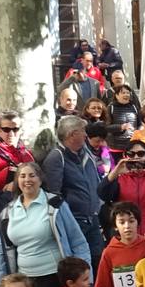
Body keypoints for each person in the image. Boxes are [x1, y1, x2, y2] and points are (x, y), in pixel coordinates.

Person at [0, 162, 90, 287]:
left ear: (40, 179)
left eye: (32, 175)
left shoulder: (55, 205)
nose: (27, 180)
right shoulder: (8, 212)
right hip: (24, 282)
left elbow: (77, 240)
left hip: (53, 278)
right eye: (22, 176)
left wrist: (83, 276)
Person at [40, 116, 106, 271]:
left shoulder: (86, 152)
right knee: (81, 265)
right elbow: (54, 194)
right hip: (75, 222)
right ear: (72, 134)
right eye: (82, 131)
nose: (86, 135)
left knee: (98, 259)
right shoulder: (56, 158)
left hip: (93, 219)